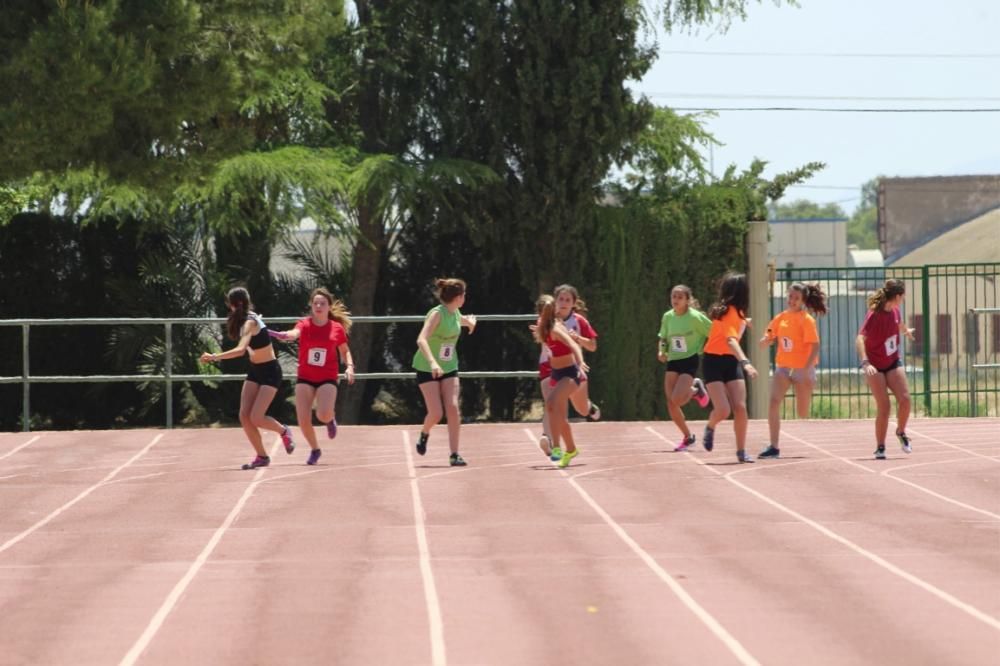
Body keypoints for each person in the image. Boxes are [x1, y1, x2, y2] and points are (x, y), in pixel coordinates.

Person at [200, 286, 294, 470]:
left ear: (232, 305)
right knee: (244, 416)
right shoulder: (247, 319)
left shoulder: (250, 322)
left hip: (270, 371)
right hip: (255, 371)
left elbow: (240, 350)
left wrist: (214, 356)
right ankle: (262, 456)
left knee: (257, 417)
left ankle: (283, 431)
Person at [269, 287, 355, 466]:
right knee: (303, 419)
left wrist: (350, 367)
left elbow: (345, 351)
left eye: (322, 303)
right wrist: (284, 335)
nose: (318, 306)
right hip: (305, 377)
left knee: (322, 414)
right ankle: (315, 449)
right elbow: (294, 333)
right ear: (311, 305)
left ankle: (329, 418)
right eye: (315, 303)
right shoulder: (304, 324)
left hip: (327, 377)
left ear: (329, 307)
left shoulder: (336, 328)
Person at [757, 282, 828, 459]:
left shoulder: (806, 320)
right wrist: (766, 340)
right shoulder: (781, 317)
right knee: (773, 402)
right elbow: (770, 333)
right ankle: (774, 447)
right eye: (790, 297)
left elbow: (815, 345)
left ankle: (808, 388)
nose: (792, 300)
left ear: (803, 301)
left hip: (802, 369)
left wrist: (806, 369)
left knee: (802, 412)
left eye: (796, 298)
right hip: (783, 367)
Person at [412, 278, 477, 466]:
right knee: (436, 413)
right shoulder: (436, 314)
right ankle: (425, 433)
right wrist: (433, 363)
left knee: (453, 408)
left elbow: (461, 320)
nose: (465, 298)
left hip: (449, 367)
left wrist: (471, 322)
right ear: (458, 297)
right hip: (427, 367)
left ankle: (454, 454)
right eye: (464, 294)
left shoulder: (455, 312)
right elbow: (421, 339)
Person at [536, 284, 600, 461]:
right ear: (554, 302)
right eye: (560, 299)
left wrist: (578, 348)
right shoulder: (546, 320)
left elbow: (591, 346)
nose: (563, 303)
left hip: (573, 370)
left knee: (581, 409)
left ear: (573, 303)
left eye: (567, 300)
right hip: (551, 369)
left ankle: (589, 407)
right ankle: (552, 443)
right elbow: (544, 338)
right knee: (552, 405)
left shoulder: (578, 321)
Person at [701, 272, 758, 463]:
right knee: (724, 410)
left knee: (740, 407)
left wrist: (745, 322)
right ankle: (710, 425)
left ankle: (741, 451)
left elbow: (736, 326)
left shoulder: (738, 313)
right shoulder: (728, 313)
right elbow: (731, 340)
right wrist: (746, 363)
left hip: (730, 362)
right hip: (713, 361)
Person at [856, 278, 916, 460]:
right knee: (885, 406)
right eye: (903, 296)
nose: (904, 298)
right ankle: (880, 447)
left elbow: (898, 324)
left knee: (905, 399)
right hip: (875, 365)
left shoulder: (896, 311)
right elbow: (860, 338)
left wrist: (906, 331)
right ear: (897, 296)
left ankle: (901, 432)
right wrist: (866, 363)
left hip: (892, 361)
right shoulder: (874, 314)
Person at [656, 284, 712, 451]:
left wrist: (705, 348)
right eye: (674, 296)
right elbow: (663, 337)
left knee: (677, 399)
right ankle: (688, 437)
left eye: (680, 297)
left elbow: (714, 332)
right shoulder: (668, 317)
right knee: (671, 403)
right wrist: (661, 350)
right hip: (673, 360)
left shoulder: (695, 317)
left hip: (689, 360)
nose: (676, 300)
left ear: (687, 300)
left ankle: (695, 389)